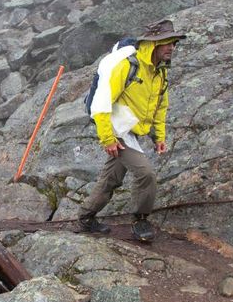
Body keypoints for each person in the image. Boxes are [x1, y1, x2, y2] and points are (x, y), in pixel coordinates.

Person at [78, 19, 186, 242]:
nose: (172, 48)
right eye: (167, 43)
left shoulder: (160, 72)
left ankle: (86, 217)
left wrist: (158, 136)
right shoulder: (128, 66)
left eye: (174, 43)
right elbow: (101, 104)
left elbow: (160, 106)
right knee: (145, 173)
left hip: (130, 129)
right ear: (152, 44)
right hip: (117, 128)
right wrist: (108, 138)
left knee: (112, 177)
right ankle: (140, 220)